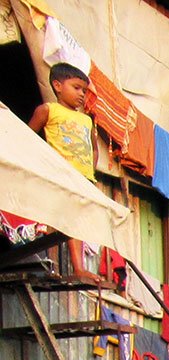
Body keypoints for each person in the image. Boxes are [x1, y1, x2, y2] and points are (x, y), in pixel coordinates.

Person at [28, 63, 97, 280]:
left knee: (75, 222)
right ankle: (49, 266)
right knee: (53, 219)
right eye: (76, 88)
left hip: (82, 178)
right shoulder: (48, 110)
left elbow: (94, 149)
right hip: (58, 175)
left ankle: (78, 268)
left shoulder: (87, 120)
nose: (81, 94)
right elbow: (28, 137)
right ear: (58, 85)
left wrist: (90, 172)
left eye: (84, 91)